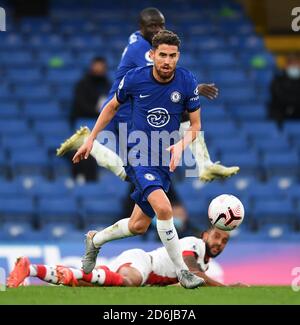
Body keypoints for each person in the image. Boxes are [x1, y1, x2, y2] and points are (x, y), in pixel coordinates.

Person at [72, 30, 206, 289]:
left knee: (138, 226)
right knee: (165, 209)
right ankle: (183, 273)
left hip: (163, 160)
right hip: (138, 154)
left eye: (172, 56)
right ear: (153, 55)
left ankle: (95, 240)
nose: (167, 61)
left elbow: (196, 125)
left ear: (178, 56)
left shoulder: (187, 81)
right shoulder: (135, 79)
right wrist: (91, 138)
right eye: (162, 55)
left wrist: (181, 144)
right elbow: (111, 107)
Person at [56, 7, 239, 182]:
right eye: (152, 26)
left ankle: (204, 164)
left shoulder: (139, 40)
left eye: (161, 25)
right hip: (124, 109)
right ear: (141, 27)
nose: (157, 30)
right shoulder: (141, 50)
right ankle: (91, 145)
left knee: (141, 173)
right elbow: (163, 76)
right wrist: (194, 89)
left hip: (137, 104)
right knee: (136, 174)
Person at [7, 227, 246, 288]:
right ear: (206, 234)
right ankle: (96, 241)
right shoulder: (193, 244)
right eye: (216, 237)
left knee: (82, 282)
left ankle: (30, 270)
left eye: (224, 241)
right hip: (142, 263)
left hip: (142, 269)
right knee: (128, 281)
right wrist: (228, 289)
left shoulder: (205, 259)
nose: (219, 243)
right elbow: (193, 274)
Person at [70, 57, 111, 181]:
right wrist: (97, 111)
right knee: (86, 149)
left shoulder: (108, 84)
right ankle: (83, 177)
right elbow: (80, 105)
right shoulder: (82, 84)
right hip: (85, 121)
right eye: (96, 66)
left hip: (103, 122)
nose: (98, 69)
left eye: (101, 66)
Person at [269, 53, 300, 127]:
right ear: (286, 65)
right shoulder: (278, 80)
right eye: (292, 64)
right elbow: (278, 96)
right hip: (282, 111)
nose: (295, 66)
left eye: (297, 64)